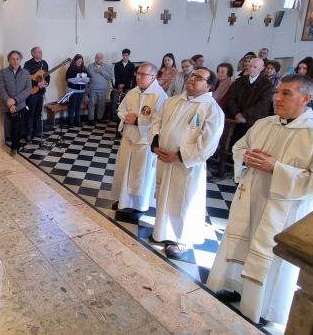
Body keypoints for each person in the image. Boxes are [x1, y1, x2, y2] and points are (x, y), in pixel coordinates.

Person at [207, 74, 313, 326]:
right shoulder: (265, 124)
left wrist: (276, 168)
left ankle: (262, 309)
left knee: (269, 256)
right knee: (242, 244)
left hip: (282, 211)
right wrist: (246, 156)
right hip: (251, 199)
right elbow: (239, 147)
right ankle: (236, 286)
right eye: (277, 92)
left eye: (286, 93)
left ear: (306, 98)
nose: (277, 98)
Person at [148, 67, 224, 258]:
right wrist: (156, 143)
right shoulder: (172, 101)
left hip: (186, 165)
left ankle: (183, 240)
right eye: (192, 76)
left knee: (184, 202)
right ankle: (163, 232)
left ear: (209, 85)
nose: (192, 79)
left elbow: (208, 143)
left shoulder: (212, 109)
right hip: (164, 159)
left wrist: (179, 156)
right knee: (164, 197)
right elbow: (156, 122)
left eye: (199, 78)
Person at [111, 62, 168, 222]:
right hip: (128, 139)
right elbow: (121, 109)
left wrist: (139, 121)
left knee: (140, 177)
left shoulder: (160, 96)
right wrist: (125, 117)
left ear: (152, 76)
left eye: (142, 74)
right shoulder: (133, 92)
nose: (138, 77)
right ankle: (124, 201)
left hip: (144, 144)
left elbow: (160, 121)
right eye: (137, 73)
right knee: (124, 172)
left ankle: (139, 206)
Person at [225, 58, 273, 144]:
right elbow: (231, 98)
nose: (251, 69)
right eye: (250, 66)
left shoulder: (267, 84)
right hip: (236, 120)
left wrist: (244, 115)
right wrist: (237, 113)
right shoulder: (239, 80)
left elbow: (263, 104)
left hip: (253, 122)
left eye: (255, 67)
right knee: (232, 145)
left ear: (261, 68)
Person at [0, 50, 32, 155]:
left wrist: (16, 100)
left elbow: (28, 89)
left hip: (21, 104)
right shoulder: (3, 72)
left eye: (17, 59)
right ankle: (14, 147)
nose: (15, 61)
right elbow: (1, 88)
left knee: (17, 127)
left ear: (20, 60)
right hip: (8, 105)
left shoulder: (26, 73)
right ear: (9, 60)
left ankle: (15, 147)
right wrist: (10, 102)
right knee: (12, 127)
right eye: (13, 59)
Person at [23, 46, 50, 141]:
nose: (41, 53)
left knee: (38, 113)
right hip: (32, 92)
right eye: (38, 52)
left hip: (41, 92)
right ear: (33, 53)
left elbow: (47, 76)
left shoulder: (44, 63)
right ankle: (28, 133)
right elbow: (26, 78)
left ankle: (37, 131)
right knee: (30, 113)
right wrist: (37, 83)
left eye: (41, 52)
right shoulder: (28, 64)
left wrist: (46, 83)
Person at [86, 52, 113, 124]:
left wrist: (101, 71)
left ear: (102, 59)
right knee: (91, 104)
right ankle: (91, 119)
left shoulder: (107, 67)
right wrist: (87, 89)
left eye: (100, 58)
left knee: (101, 104)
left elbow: (110, 77)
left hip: (102, 89)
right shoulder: (90, 66)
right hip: (92, 89)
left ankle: (99, 118)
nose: (98, 59)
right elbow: (86, 79)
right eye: (97, 58)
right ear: (95, 58)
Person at [65, 54, 88, 126]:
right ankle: (70, 122)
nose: (79, 62)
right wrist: (77, 79)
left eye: (81, 61)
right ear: (75, 61)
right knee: (72, 106)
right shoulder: (71, 68)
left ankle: (77, 121)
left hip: (81, 91)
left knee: (78, 106)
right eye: (78, 61)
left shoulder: (84, 68)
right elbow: (67, 78)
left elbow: (88, 77)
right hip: (73, 90)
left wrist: (85, 79)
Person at [112, 48, 136, 114]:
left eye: (126, 55)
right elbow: (116, 75)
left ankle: (122, 116)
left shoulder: (132, 65)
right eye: (124, 55)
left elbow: (131, 77)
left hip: (127, 86)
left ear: (129, 56)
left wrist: (124, 84)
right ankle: (113, 116)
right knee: (114, 101)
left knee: (124, 102)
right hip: (117, 86)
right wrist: (119, 85)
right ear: (122, 55)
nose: (125, 57)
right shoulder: (117, 65)